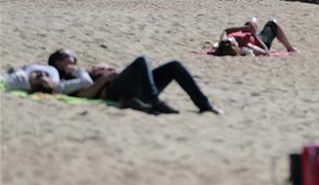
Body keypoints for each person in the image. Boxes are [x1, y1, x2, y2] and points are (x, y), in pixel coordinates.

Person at [47, 48, 221, 114]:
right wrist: (104, 78)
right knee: (142, 60)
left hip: (129, 87)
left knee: (174, 66)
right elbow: (84, 96)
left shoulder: (80, 71)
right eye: (69, 56)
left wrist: (103, 69)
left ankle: (204, 105)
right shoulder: (66, 78)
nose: (74, 58)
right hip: (113, 91)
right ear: (58, 62)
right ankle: (154, 101)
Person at [220, 18, 296, 55]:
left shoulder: (224, 41)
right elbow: (265, 50)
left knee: (251, 21)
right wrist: (254, 34)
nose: (231, 39)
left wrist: (244, 28)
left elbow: (226, 31)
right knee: (272, 23)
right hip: (261, 40)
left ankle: (253, 23)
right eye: (232, 41)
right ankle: (290, 48)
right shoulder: (245, 44)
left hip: (249, 33)